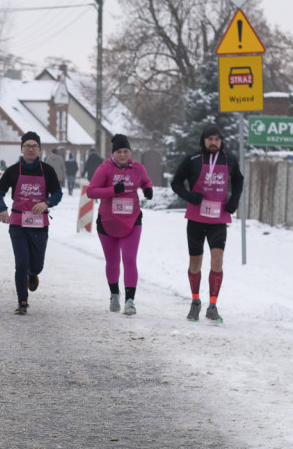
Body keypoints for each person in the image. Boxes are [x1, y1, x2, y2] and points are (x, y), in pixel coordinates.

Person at [170, 123, 244, 323]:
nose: (214, 142)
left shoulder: (229, 159)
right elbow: (176, 182)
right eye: (210, 139)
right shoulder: (192, 159)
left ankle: (213, 305)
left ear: (221, 142)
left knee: (217, 259)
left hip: (218, 218)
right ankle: (195, 302)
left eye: (217, 139)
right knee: (195, 262)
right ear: (204, 141)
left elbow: (239, 180)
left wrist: (234, 201)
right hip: (195, 217)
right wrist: (189, 196)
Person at [0, 131, 63, 315]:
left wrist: (46, 202)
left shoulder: (47, 171)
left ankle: (33, 274)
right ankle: (22, 301)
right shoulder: (13, 170)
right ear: (22, 149)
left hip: (40, 225)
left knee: (37, 265)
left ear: (39, 150)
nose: (30, 149)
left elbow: (58, 194)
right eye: (27, 146)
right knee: (21, 264)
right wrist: (2, 208)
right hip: (18, 224)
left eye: (34, 146)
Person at [86, 134, 153, 315]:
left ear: (130, 152)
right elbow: (91, 192)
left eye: (126, 151)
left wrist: (148, 189)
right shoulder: (105, 168)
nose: (123, 155)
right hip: (108, 222)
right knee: (113, 261)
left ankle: (130, 301)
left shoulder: (137, 168)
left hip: (132, 220)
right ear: (113, 153)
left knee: (130, 259)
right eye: (119, 152)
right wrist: (112, 190)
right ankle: (114, 294)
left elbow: (145, 181)